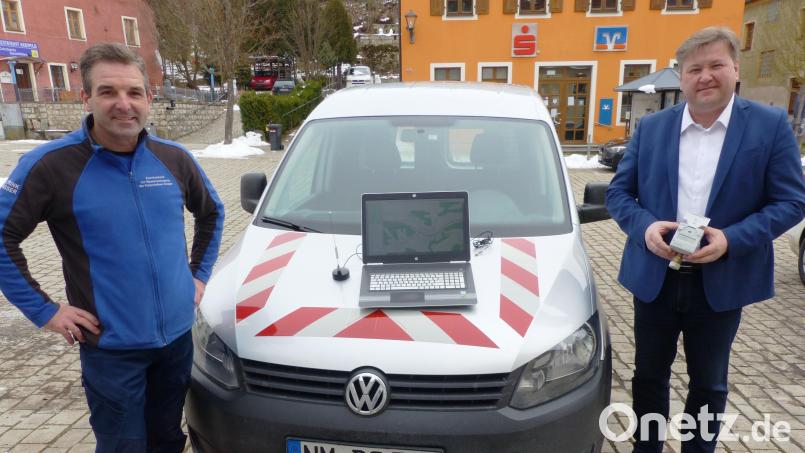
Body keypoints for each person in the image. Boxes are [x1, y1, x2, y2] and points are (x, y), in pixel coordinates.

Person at [0, 43, 224, 452]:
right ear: (85, 97)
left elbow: (213, 213)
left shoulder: (174, 159)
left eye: (134, 92)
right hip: (112, 351)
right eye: (108, 92)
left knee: (168, 440)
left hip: (175, 343)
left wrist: (198, 276)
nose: (124, 104)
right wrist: (45, 310)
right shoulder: (52, 165)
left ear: (149, 98)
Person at [606, 27, 805, 453]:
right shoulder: (653, 127)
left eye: (716, 65)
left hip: (721, 280)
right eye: (695, 68)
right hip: (656, 276)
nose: (706, 76)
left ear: (736, 69)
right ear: (682, 77)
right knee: (647, 379)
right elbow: (619, 193)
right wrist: (645, 227)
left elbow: (791, 201)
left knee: (710, 384)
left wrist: (731, 239)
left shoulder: (768, 126)